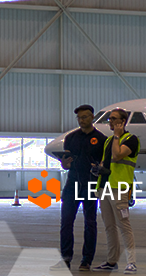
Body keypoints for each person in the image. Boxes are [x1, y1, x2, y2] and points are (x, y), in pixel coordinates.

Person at [51, 104, 106, 272]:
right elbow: (66, 164)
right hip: (72, 184)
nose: (81, 121)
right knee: (66, 222)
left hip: (90, 184)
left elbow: (104, 165)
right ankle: (66, 258)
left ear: (92, 117)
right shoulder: (71, 138)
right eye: (79, 118)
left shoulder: (102, 139)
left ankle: (86, 260)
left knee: (90, 223)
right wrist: (64, 163)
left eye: (84, 117)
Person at [93, 108, 140, 274]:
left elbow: (118, 155)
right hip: (104, 187)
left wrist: (118, 136)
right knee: (109, 226)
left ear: (122, 122)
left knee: (123, 225)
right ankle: (111, 260)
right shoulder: (108, 141)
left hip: (119, 188)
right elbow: (107, 162)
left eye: (113, 119)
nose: (110, 122)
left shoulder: (131, 140)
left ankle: (131, 262)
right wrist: (98, 169)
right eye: (110, 119)